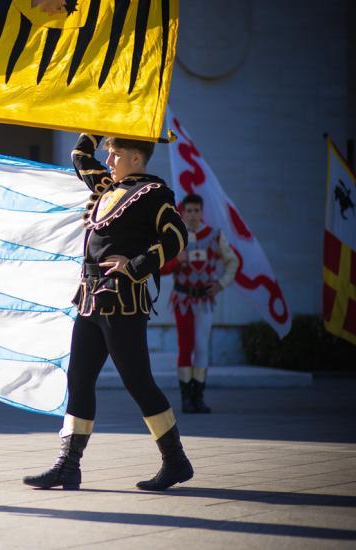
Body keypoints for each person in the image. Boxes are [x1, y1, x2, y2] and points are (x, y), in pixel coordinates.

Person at [23, 134, 193, 492]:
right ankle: (67, 466)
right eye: (109, 153)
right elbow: (80, 154)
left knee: (139, 382)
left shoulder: (153, 194)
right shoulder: (106, 186)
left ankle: (175, 460)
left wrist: (136, 265)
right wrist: (105, 121)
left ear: (136, 158)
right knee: (79, 380)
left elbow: (176, 236)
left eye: (116, 154)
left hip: (124, 301)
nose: (109, 159)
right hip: (89, 299)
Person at [161, 194, 238, 413]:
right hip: (183, 299)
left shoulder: (214, 235)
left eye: (197, 211)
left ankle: (199, 396)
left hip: (204, 300)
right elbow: (160, 268)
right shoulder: (175, 237)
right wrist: (177, 261)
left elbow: (233, 261)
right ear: (182, 212)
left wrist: (221, 284)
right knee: (185, 347)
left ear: (202, 212)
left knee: (202, 348)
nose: (193, 215)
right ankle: (186, 398)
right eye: (189, 211)